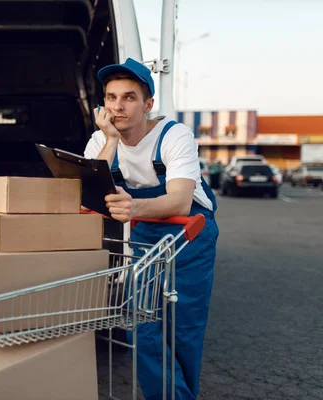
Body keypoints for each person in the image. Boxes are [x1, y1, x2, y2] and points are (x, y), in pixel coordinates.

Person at [83, 58, 219, 400]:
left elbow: (181, 201)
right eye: (111, 97)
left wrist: (135, 207)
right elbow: (90, 194)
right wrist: (111, 141)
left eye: (129, 97)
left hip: (189, 236)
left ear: (148, 104)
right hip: (144, 237)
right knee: (142, 326)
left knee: (182, 329)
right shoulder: (99, 144)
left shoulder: (174, 135)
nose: (118, 106)